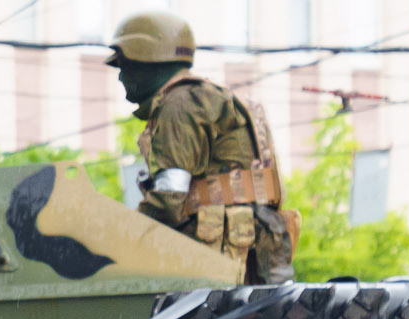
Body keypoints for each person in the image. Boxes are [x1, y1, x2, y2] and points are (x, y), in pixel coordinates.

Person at [108, 9, 294, 283]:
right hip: (256, 257)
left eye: (125, 66)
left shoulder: (179, 105)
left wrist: (119, 242)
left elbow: (169, 198)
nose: (121, 77)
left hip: (218, 264)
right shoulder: (212, 98)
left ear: (148, 62)